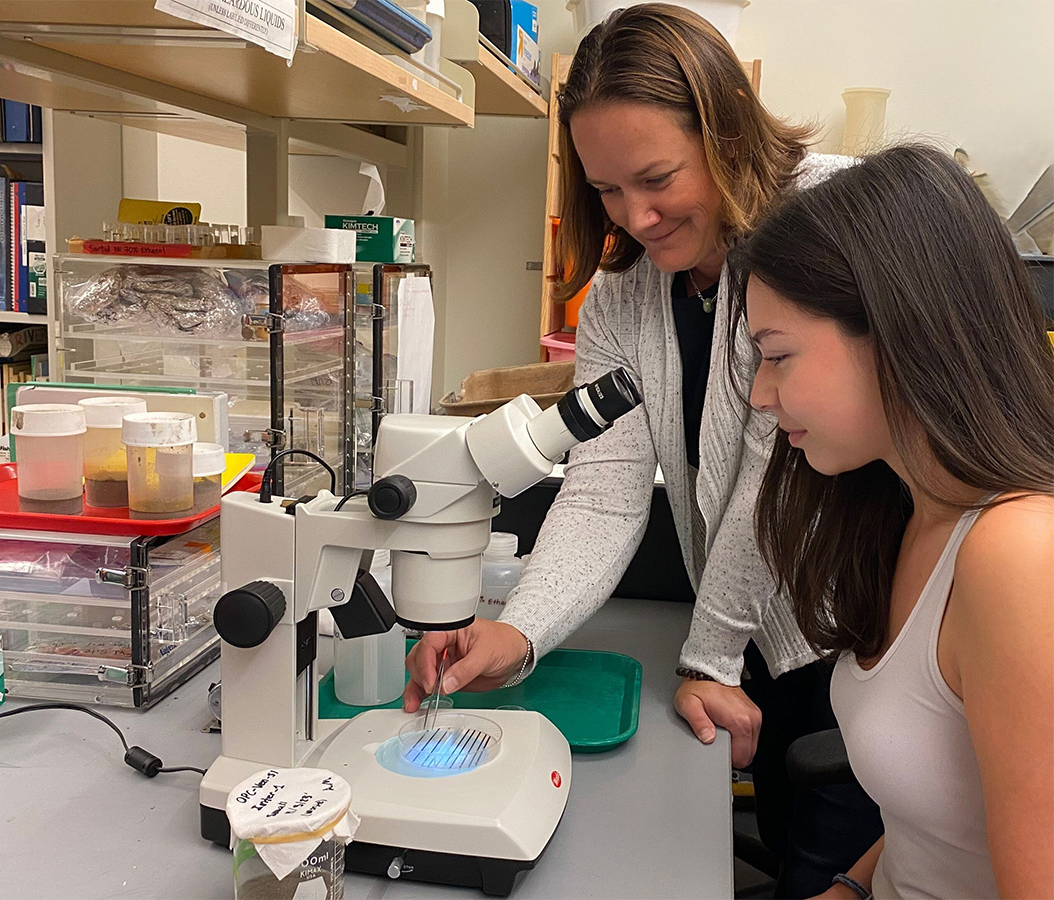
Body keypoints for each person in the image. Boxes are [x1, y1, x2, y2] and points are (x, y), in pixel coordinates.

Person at [402, 4, 881, 893]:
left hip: (854, 629)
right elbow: (605, 488)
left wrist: (707, 656)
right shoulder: (627, 288)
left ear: (727, 130)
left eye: (657, 176)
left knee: (836, 863)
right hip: (746, 637)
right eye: (608, 189)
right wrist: (520, 630)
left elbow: (779, 478)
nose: (638, 215)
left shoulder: (824, 218)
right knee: (784, 841)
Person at [731, 144, 1054, 898]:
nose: (761, 395)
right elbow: (945, 814)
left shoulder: (1016, 555)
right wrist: (849, 885)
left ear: (898, 335)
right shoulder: (906, 512)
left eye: (777, 356)